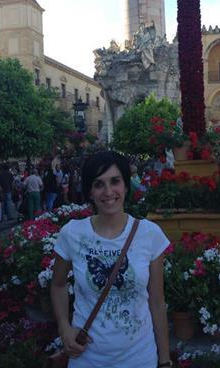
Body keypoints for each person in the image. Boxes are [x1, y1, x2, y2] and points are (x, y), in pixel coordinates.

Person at [50, 151, 172, 368]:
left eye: (115, 181)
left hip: (139, 358)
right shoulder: (72, 234)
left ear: (126, 186)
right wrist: (64, 328)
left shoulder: (149, 234)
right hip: (86, 358)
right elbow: (58, 285)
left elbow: (156, 302)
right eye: (98, 184)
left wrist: (164, 361)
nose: (108, 192)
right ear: (89, 191)